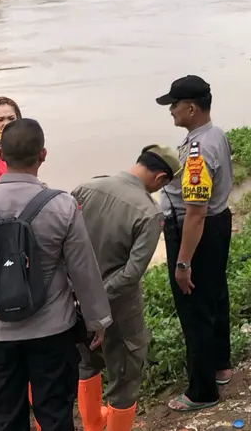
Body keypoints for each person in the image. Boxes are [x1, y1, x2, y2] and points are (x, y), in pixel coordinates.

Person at [0, 119, 111, 431]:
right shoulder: (62, 205)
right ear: (43, 154)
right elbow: (83, 270)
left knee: (7, 418)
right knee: (55, 416)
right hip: (53, 330)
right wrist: (97, 321)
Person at [72, 146, 177, 431]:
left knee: (86, 363)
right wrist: (100, 297)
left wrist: (81, 296)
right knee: (125, 377)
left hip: (76, 302)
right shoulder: (149, 213)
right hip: (119, 309)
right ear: (160, 178)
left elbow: (59, 242)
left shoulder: (85, 188)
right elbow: (131, 273)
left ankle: (93, 425)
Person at [156, 76, 234, 412]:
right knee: (215, 294)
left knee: (194, 307)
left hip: (198, 233)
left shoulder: (198, 152)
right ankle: (220, 366)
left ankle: (202, 392)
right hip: (218, 225)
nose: (170, 111)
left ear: (191, 107)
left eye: (173, 105)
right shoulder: (214, 135)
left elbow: (195, 214)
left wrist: (183, 262)